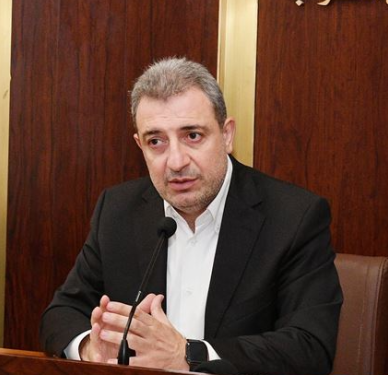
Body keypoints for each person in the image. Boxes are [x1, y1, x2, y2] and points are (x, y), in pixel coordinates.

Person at [40, 57, 343, 375]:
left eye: (193, 136)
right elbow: (61, 312)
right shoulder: (118, 210)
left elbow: (309, 347)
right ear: (140, 145)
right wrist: (90, 347)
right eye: (156, 141)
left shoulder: (293, 217)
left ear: (227, 135)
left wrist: (188, 355)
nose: (176, 161)